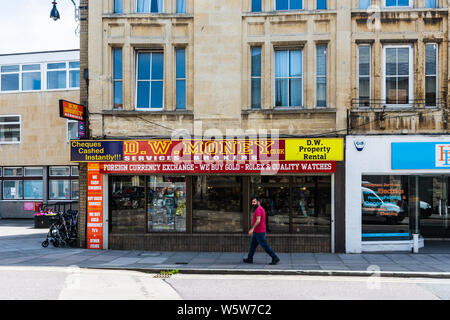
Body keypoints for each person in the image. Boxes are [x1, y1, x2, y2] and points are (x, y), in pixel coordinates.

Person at [243, 196, 280, 265]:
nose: (253, 203)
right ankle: (249, 258)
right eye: (252, 202)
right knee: (252, 246)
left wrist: (252, 228)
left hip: (259, 232)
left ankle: (275, 258)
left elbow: (258, 220)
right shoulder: (260, 209)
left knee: (265, 246)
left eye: (254, 202)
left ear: (258, 202)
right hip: (257, 232)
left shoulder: (258, 210)